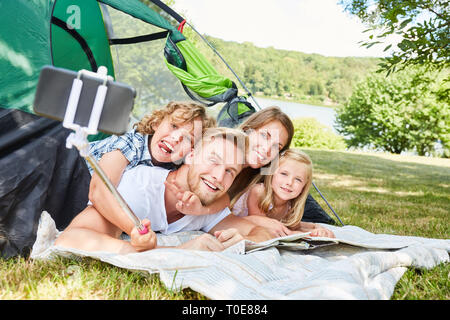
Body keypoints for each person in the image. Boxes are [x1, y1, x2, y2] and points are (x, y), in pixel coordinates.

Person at [55, 127, 273, 253]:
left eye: (229, 172)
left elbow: (261, 233)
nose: (218, 177)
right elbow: (70, 238)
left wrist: (244, 240)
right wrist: (173, 253)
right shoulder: (140, 188)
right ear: (191, 156)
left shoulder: (208, 206)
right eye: (213, 161)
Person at [87, 101, 229, 235]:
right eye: (174, 126)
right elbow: (98, 191)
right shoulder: (130, 144)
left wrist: (202, 210)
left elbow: (226, 199)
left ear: (193, 151)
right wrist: (138, 231)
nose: (176, 138)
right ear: (156, 123)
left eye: (188, 139)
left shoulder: (175, 166)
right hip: (73, 174)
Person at [228, 106, 336, 225]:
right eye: (264, 136)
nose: (266, 149)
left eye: (276, 146)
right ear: (247, 129)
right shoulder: (219, 158)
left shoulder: (262, 179)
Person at [231, 149, 335, 238]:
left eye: (298, 179)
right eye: (284, 174)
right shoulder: (259, 192)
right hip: (229, 225)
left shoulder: (289, 205)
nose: (289, 183)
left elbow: (294, 226)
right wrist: (300, 234)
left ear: (304, 187)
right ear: (272, 174)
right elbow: (261, 224)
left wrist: (316, 228)